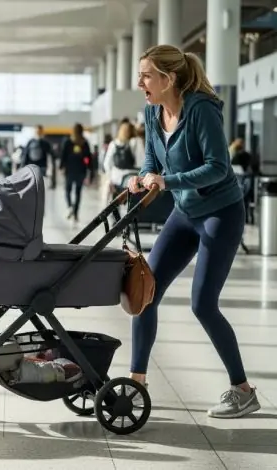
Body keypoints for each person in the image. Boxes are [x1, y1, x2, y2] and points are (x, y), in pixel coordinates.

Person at [128, 44, 259, 419]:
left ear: (169, 78)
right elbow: (152, 160)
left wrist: (167, 181)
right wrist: (143, 177)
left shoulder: (201, 109)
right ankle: (137, 382)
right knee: (144, 294)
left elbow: (219, 167)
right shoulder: (152, 112)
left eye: (146, 76)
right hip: (185, 212)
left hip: (220, 213)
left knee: (203, 304)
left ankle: (243, 391)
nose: (140, 83)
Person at [59, 123, 93, 222]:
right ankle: (76, 213)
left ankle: (70, 207)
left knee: (68, 190)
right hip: (81, 170)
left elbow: (63, 155)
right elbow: (88, 158)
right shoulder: (84, 142)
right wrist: (89, 168)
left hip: (69, 170)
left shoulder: (68, 142)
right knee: (78, 192)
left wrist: (61, 166)